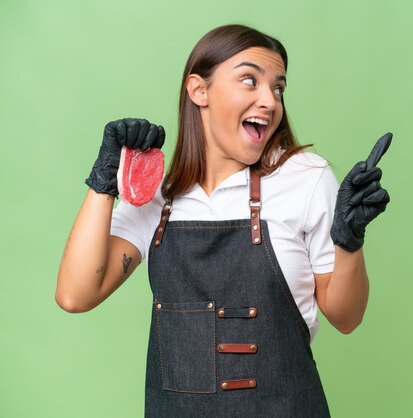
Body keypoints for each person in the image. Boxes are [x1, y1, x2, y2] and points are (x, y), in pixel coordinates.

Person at [56, 24, 391, 417]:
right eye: (250, 81)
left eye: (278, 88)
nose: (269, 100)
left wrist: (349, 242)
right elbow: (75, 295)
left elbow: (347, 318)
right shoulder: (160, 196)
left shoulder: (305, 177)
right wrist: (103, 182)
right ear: (199, 90)